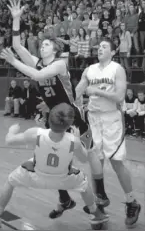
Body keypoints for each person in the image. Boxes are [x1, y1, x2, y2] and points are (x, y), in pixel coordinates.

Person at [2, 0, 108, 219]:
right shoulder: (38, 62)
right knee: (48, 160)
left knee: (89, 155)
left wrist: (14, 63)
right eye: (41, 44)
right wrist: (16, 19)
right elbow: (18, 46)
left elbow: (38, 76)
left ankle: (101, 195)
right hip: (56, 119)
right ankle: (64, 199)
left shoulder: (60, 64)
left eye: (47, 44)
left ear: (56, 48)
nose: (42, 46)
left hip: (73, 117)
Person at [0, 103, 109, 230]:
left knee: (11, 181)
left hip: (35, 176)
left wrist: (11, 131)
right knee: (84, 184)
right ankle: (96, 214)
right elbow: (84, 159)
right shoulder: (74, 141)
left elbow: (9, 141)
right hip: (64, 180)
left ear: (49, 118)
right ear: (70, 124)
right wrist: (78, 139)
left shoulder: (36, 133)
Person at [75, 38, 141, 226]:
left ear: (113, 52)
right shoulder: (90, 69)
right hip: (92, 119)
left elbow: (119, 96)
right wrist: (73, 97)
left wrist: (96, 91)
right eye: (99, 47)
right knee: (94, 161)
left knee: (116, 162)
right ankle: (99, 204)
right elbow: (79, 89)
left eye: (105, 47)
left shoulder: (117, 69)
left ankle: (131, 202)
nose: (100, 49)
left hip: (112, 119)